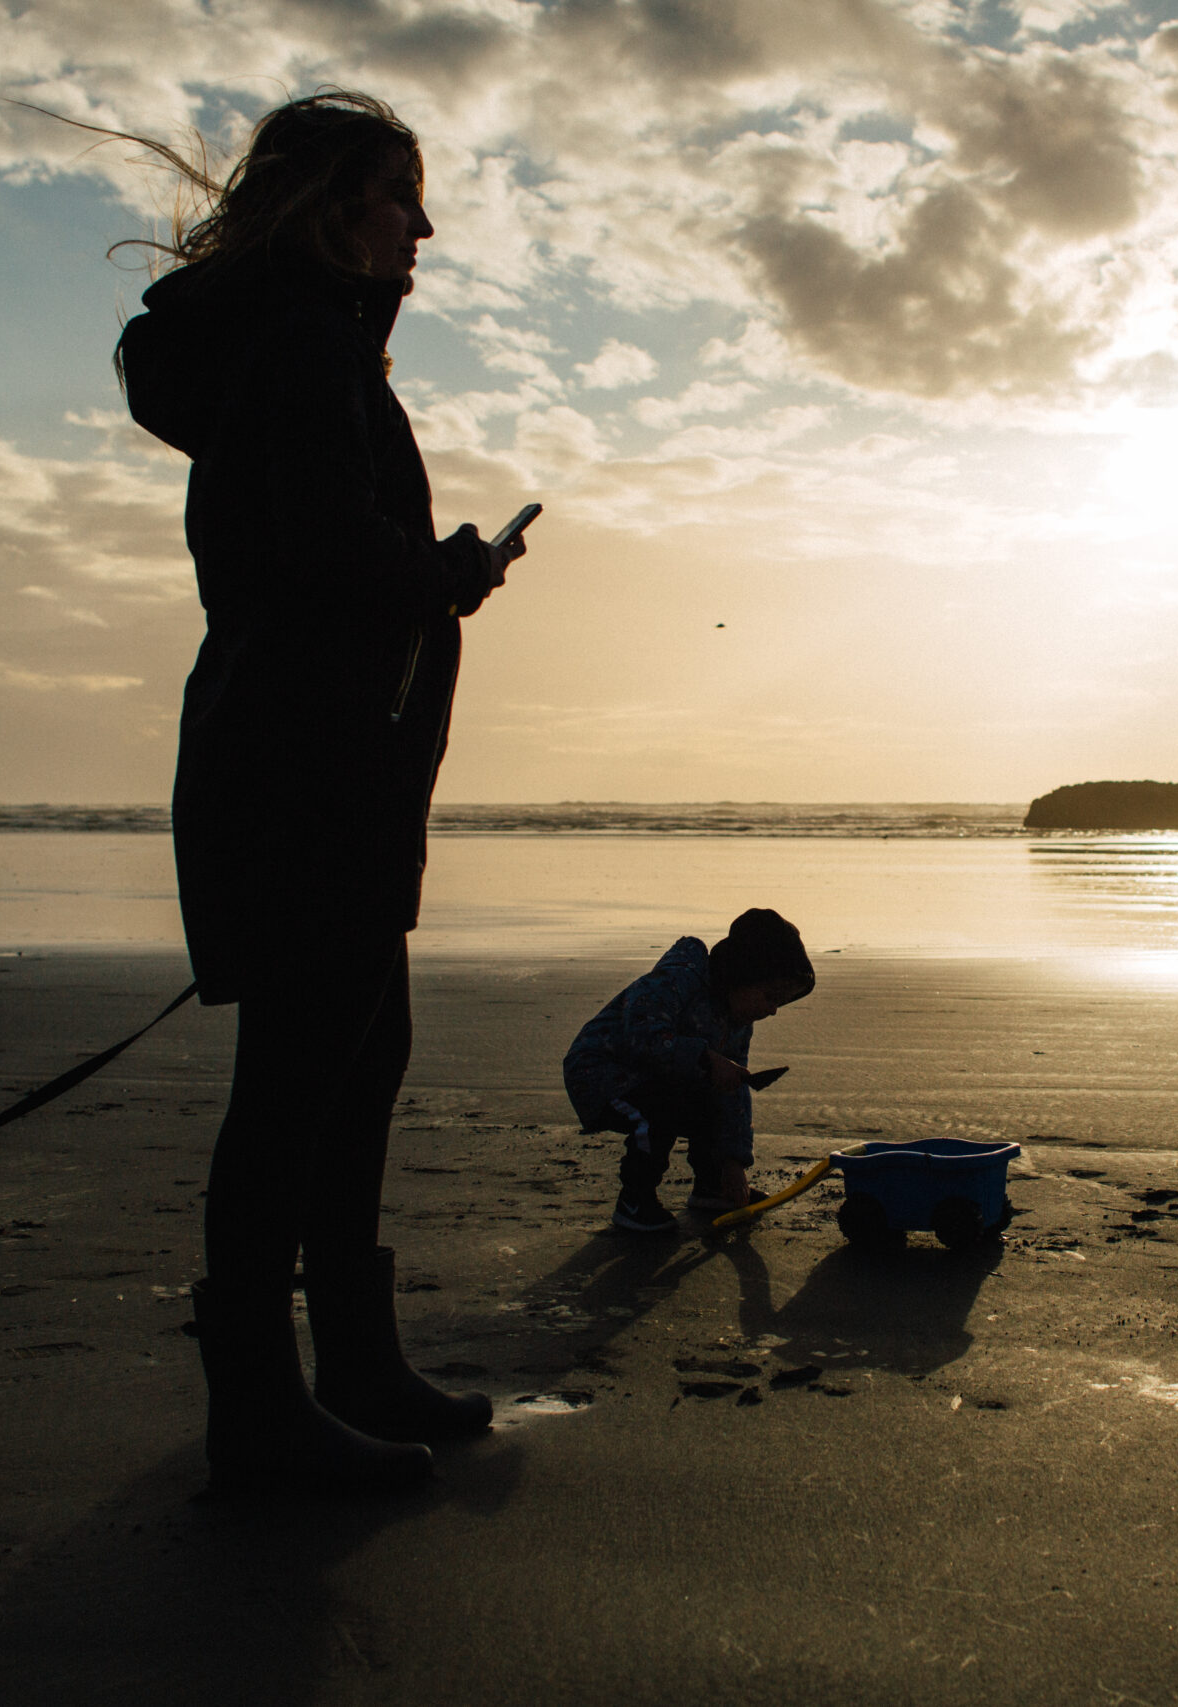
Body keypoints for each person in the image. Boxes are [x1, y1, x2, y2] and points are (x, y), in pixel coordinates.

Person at [106, 91, 524, 1494]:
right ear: (338, 201)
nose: (424, 228)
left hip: (325, 763)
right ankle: (262, 1409)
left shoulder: (306, 347)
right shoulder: (295, 349)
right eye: (404, 197)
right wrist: (453, 569)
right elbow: (318, 567)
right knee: (299, 1079)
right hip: (301, 769)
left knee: (359, 1057)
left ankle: (352, 1360)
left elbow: (312, 556)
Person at [564, 909, 816, 1233]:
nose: (773, 1010)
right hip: (600, 1073)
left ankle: (712, 1187)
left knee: (714, 1096)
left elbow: (734, 1091)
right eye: (770, 997)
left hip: (661, 1078)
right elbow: (641, 1034)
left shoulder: (738, 1024)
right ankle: (634, 1200)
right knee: (660, 1107)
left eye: (781, 1002)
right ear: (742, 975)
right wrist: (706, 1059)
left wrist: (733, 1163)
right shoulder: (681, 977)